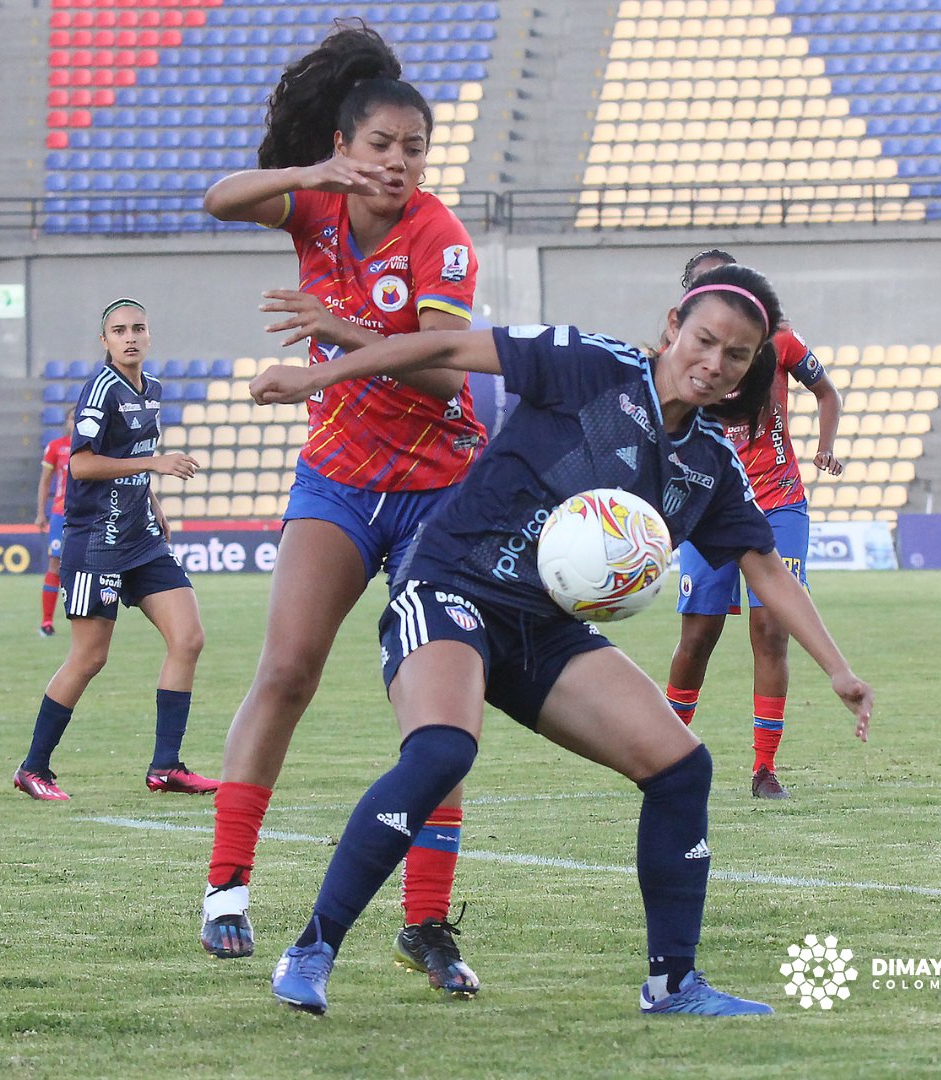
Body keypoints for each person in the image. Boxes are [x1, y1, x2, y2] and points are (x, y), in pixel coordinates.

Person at [247, 262, 873, 1017]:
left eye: (736, 356)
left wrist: (838, 670)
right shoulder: (590, 364)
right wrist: (323, 376)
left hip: (545, 629)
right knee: (443, 749)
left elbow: (766, 570)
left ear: (751, 367)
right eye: (704, 340)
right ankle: (312, 949)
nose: (714, 364)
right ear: (674, 326)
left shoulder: (710, 462)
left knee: (681, 769)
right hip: (452, 587)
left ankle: (673, 984)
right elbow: (438, 350)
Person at [197, 21, 487, 997]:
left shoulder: (441, 240)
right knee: (285, 668)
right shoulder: (316, 205)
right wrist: (313, 169)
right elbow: (218, 198)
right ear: (347, 144)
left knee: (439, 721)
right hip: (337, 483)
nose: (400, 164)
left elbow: (449, 380)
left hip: (440, 495)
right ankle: (227, 891)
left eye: (415, 149)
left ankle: (425, 927)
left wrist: (340, 328)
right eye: (381, 146)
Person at [13, 298, 217, 802]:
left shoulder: (153, 391)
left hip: (141, 537)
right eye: (119, 330)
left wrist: (153, 500)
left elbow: (126, 458)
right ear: (104, 341)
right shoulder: (100, 389)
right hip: (96, 543)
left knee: (188, 638)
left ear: (149, 337)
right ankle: (33, 767)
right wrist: (154, 463)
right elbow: (81, 465)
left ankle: (166, 766)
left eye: (138, 328)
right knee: (89, 658)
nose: (130, 336)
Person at [663, 249, 843, 800]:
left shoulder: (780, 343)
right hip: (707, 503)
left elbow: (826, 391)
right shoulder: (676, 356)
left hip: (777, 500)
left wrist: (825, 448)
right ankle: (664, 750)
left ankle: (765, 768)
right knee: (699, 633)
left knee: (771, 629)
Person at [35, 407, 75, 637]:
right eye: (72, 417)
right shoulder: (57, 447)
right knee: (55, 564)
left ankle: (84, 619)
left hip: (86, 515)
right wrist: (41, 512)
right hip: (61, 513)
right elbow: (45, 481)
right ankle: (47, 622)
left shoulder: (94, 446)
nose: (75, 421)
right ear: (67, 422)